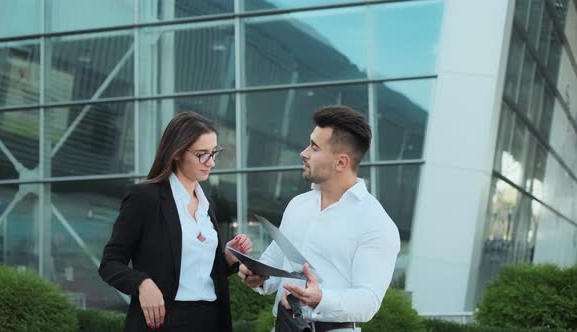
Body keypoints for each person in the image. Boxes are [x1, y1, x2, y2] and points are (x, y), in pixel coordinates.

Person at [239, 105, 400, 331]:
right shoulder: (298, 205)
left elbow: (368, 300)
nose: (304, 152)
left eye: (314, 147)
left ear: (341, 162)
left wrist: (321, 298)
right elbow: (274, 265)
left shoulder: (376, 223)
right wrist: (258, 275)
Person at [99, 112, 252, 332]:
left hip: (211, 319)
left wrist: (227, 259)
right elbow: (110, 263)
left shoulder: (208, 204)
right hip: (164, 321)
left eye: (214, 152)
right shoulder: (145, 198)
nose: (212, 162)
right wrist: (142, 283)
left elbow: (194, 271)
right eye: (202, 155)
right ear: (177, 152)